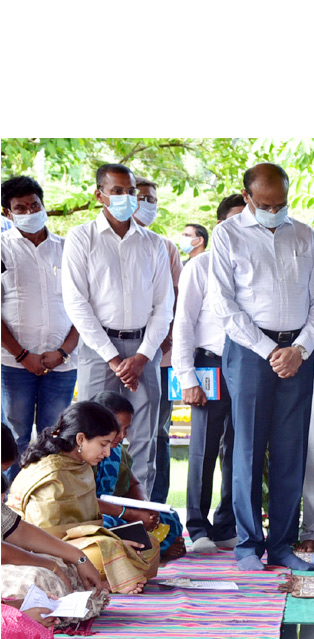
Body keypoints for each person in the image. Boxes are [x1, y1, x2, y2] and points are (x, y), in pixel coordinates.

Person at [207, 163, 314, 572]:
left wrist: (299, 348)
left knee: (291, 450)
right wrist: (268, 349)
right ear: (247, 198)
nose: (274, 210)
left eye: (281, 204)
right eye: (265, 204)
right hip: (249, 351)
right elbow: (224, 305)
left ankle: (281, 544)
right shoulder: (226, 235)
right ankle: (247, 546)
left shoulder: (303, 234)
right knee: (248, 448)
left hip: (298, 351)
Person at [62, 163, 173, 491]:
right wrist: (113, 358)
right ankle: (96, 518)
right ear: (99, 195)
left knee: (144, 440)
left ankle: (145, 524)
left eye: (131, 192)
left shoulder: (154, 243)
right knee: (91, 438)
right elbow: (77, 304)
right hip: (99, 351)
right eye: (117, 191)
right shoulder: (81, 238)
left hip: (144, 351)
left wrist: (141, 357)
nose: (127, 198)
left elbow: (163, 306)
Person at [6, 402, 159, 593]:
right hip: (45, 549)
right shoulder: (51, 474)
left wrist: (113, 538)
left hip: (81, 543)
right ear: (80, 439)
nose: (107, 453)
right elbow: (44, 536)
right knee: (106, 549)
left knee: (149, 543)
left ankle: (110, 577)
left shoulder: (81, 465)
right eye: (103, 444)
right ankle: (109, 579)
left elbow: (87, 521)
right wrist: (107, 541)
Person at [173, 193, 245, 553]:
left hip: (247, 366)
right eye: (235, 220)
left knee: (239, 446)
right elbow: (183, 324)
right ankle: (197, 526)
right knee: (202, 447)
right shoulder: (199, 267)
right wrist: (187, 377)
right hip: (209, 363)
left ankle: (226, 524)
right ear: (221, 226)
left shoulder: (253, 266)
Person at [1, 176, 79, 481]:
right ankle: (11, 509)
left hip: (62, 363)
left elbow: (83, 306)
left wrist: (62, 351)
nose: (30, 211)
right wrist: (23, 355)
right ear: (8, 213)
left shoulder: (67, 248)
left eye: (35, 204)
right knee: (15, 438)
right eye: (20, 208)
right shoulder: (2, 250)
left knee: (55, 439)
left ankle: (48, 505)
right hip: (13, 364)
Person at [2, 424, 106, 601]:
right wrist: (50, 566)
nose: (108, 452)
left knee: (68, 567)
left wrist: (79, 557)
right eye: (104, 443)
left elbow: (17, 529)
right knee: (37, 579)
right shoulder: (49, 469)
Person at [131, 177, 185, 506]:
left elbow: (175, 298)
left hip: (161, 358)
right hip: (116, 358)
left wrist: (162, 341)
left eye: (151, 198)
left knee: (157, 433)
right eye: (139, 197)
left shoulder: (165, 247)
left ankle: (158, 508)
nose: (145, 204)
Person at [90, 391, 185, 560]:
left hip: (118, 510)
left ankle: (151, 550)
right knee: (110, 525)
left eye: (126, 429)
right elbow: (85, 500)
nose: (123, 435)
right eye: (119, 428)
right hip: (91, 514)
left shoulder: (118, 453)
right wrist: (130, 515)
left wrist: (144, 507)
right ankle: (155, 550)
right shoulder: (84, 452)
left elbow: (133, 484)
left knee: (168, 516)